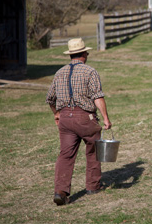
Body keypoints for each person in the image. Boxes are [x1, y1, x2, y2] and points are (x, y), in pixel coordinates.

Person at [46, 38, 112, 206]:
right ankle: (93, 186)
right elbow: (97, 97)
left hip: (65, 120)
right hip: (85, 118)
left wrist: (57, 114)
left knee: (66, 154)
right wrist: (105, 118)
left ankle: (60, 191)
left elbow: (50, 98)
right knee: (93, 149)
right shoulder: (90, 72)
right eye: (86, 52)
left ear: (71, 55)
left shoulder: (59, 73)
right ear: (83, 54)